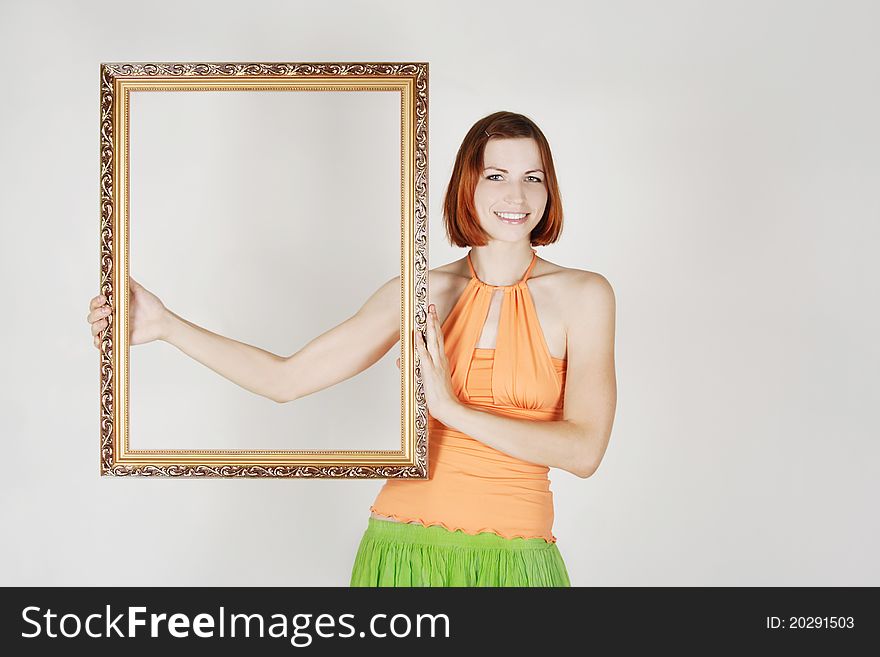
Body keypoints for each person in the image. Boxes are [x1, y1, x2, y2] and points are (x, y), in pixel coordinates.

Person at [86, 111, 617, 587]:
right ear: (467, 185)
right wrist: (165, 325)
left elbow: (584, 451)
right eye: (496, 175)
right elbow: (285, 380)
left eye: (533, 178)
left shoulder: (584, 296)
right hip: (403, 554)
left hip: (518, 561)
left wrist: (451, 411)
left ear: (550, 192)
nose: (516, 196)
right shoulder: (415, 294)